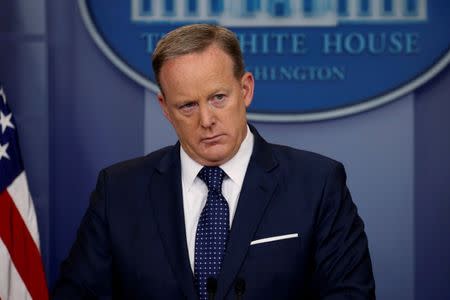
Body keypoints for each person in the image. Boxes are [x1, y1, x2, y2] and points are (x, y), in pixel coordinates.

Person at [53, 24, 375, 299]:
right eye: (188, 106)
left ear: (245, 89)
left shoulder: (317, 184)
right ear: (165, 108)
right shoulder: (119, 191)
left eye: (218, 98)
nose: (206, 119)